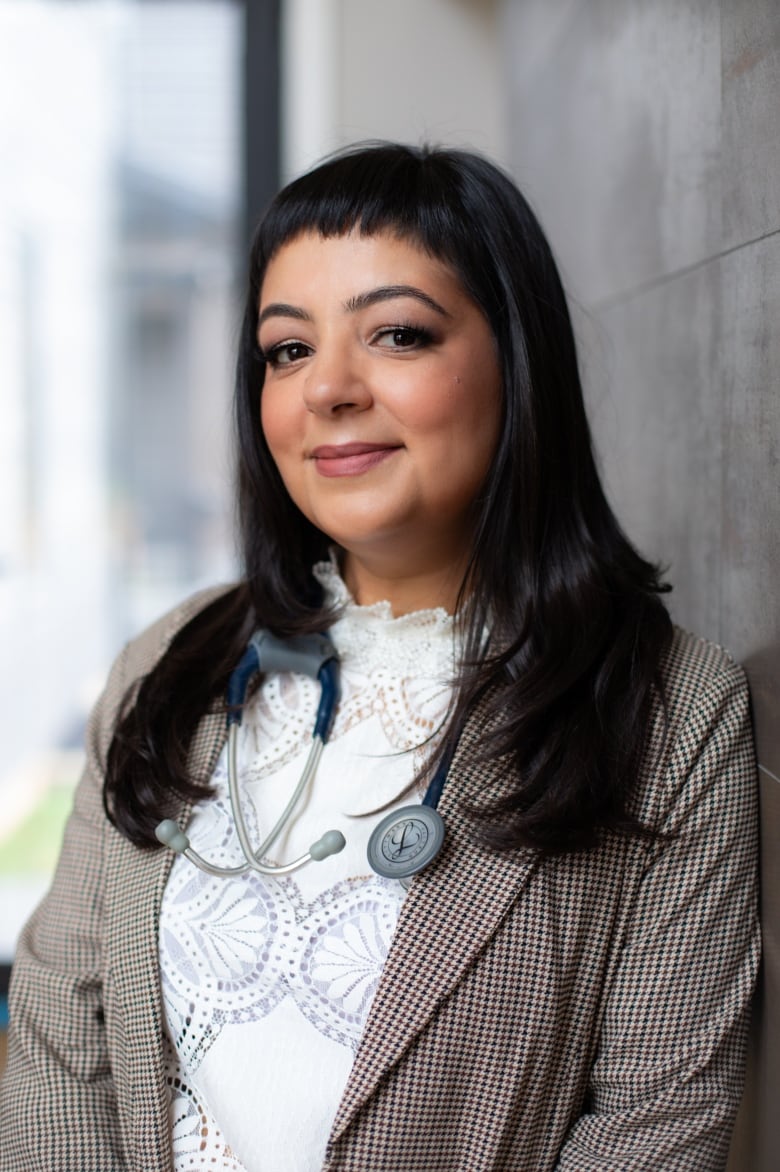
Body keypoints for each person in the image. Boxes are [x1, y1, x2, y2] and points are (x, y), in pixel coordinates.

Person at [0, 143, 759, 1172]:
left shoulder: (670, 709)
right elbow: (60, 1037)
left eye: (398, 334)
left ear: (516, 361)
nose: (329, 390)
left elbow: (657, 1118)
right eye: (287, 351)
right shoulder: (168, 666)